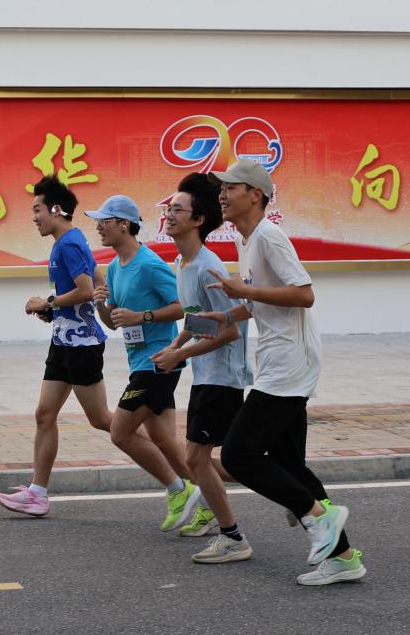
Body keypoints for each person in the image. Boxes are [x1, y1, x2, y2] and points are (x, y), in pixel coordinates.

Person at [198, 158, 366, 586]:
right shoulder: (248, 239)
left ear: (255, 194)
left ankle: (318, 517)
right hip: (278, 359)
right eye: (221, 188)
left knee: (238, 455)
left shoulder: (269, 236)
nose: (222, 195)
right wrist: (231, 314)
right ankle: (343, 558)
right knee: (290, 463)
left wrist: (244, 290)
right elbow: (263, 299)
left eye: (230, 187)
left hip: (291, 362)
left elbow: (304, 294)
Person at [152, 173, 254, 564]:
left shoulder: (208, 267)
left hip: (223, 376)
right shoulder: (183, 263)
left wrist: (180, 356)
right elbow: (198, 319)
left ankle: (234, 536)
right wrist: (175, 346)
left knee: (197, 459)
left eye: (178, 210)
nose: (169, 214)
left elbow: (229, 330)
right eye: (169, 208)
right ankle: (288, 485)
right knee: (212, 461)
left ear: (198, 220)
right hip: (206, 373)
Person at [0, 175, 112, 517]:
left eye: (38, 209)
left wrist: (48, 302)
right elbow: (98, 283)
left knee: (102, 420)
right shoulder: (67, 242)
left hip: (81, 345)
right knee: (44, 414)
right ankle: (37, 494)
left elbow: (86, 289)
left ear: (56, 209)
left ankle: (168, 460)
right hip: (63, 340)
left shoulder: (69, 243)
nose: (34, 217)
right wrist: (55, 311)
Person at [87, 194, 202, 531]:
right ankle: (210, 503)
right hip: (140, 361)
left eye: (105, 221)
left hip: (159, 361)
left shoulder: (149, 264)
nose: (99, 228)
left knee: (121, 432)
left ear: (124, 224)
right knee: (165, 441)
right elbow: (114, 323)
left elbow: (183, 306)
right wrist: (101, 305)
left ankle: (178, 489)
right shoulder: (114, 268)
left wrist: (143, 316)